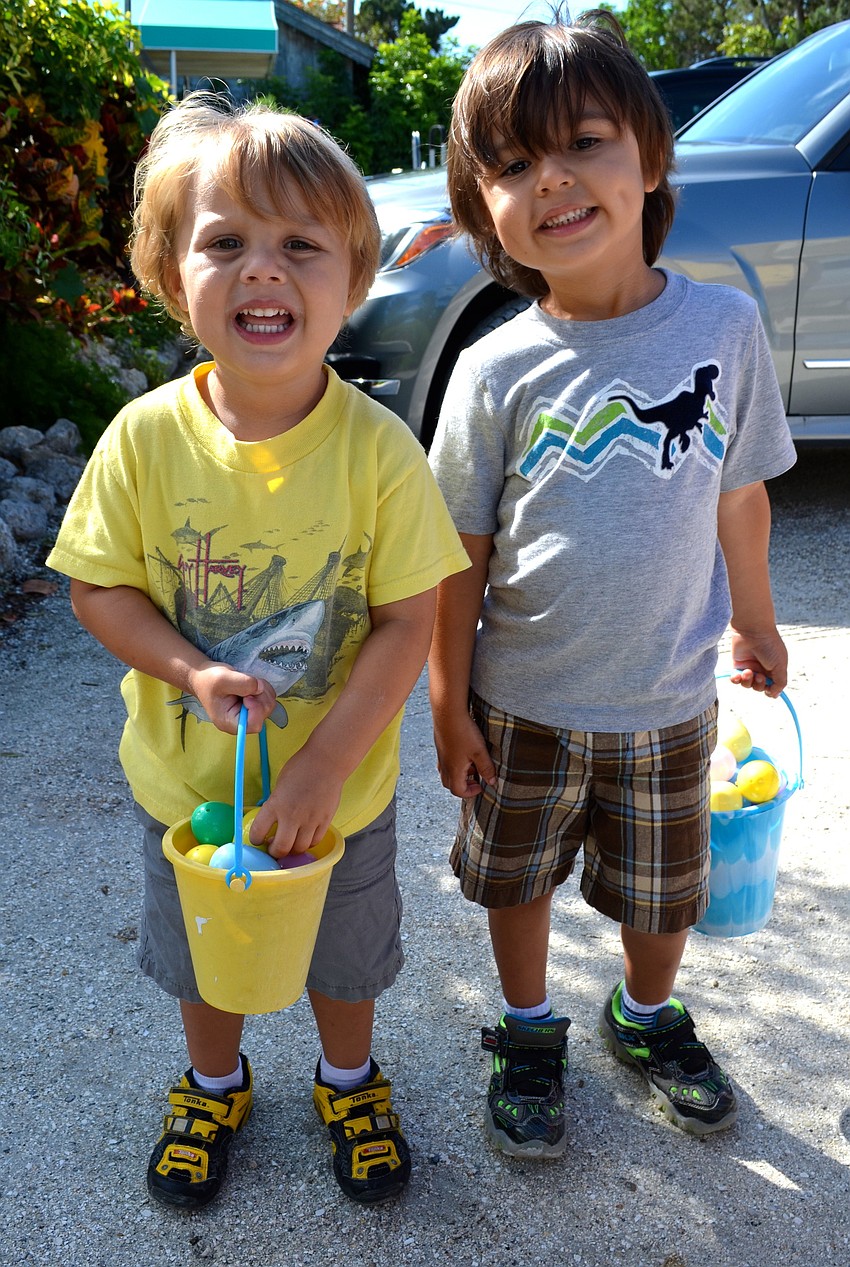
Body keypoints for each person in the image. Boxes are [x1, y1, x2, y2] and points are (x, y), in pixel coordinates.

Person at [47, 92, 469, 1207]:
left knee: (343, 952)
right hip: (188, 786)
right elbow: (99, 586)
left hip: (344, 790)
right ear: (169, 271)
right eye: (224, 241)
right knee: (204, 951)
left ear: (353, 279)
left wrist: (324, 767)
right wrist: (187, 667)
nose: (261, 270)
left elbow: (405, 619)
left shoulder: (380, 452)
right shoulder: (142, 439)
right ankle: (212, 1079)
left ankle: (346, 1073)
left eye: (298, 246)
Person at [428, 11, 796, 1159]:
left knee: (661, 892)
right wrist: (445, 700)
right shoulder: (493, 369)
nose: (554, 180)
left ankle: (642, 1016)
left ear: (648, 156)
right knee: (515, 881)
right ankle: (528, 1029)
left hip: (667, 699)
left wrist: (756, 615)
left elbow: (740, 491)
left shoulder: (725, 327)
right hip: (522, 700)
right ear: (484, 207)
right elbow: (459, 547)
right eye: (512, 163)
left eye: (583, 141)